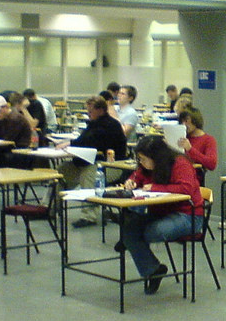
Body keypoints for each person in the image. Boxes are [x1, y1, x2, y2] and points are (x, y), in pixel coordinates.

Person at [116, 135, 203, 295]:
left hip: (188, 215)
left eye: (143, 158)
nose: (141, 162)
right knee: (128, 231)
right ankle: (154, 270)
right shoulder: (147, 167)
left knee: (152, 231)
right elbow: (137, 176)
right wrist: (131, 181)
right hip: (162, 212)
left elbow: (187, 189)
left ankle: (133, 245)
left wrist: (156, 188)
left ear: (156, 156)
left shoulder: (180, 163)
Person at [57, 95, 127, 228]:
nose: (88, 114)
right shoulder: (94, 124)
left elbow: (91, 143)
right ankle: (48, 207)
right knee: (61, 171)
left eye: (90, 111)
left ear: (100, 110)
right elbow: (84, 141)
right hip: (89, 162)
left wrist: (70, 144)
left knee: (89, 175)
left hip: (112, 165)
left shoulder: (110, 125)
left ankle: (89, 216)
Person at [0, 94, 32, 164]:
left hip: (18, 152)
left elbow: (7, 140)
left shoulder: (16, 119)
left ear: (6, 107)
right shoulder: (2, 119)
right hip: (7, 151)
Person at [177, 106, 217, 175]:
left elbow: (212, 164)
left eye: (186, 121)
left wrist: (190, 149)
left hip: (194, 177)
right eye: (182, 121)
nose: (184, 124)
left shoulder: (208, 140)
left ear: (195, 120)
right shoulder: (182, 137)